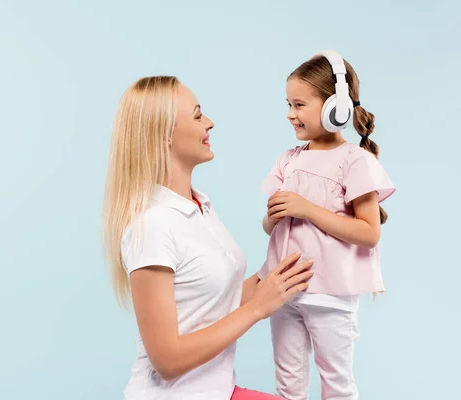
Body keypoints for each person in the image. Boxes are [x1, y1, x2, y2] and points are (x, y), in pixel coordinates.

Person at [101, 76, 314, 400]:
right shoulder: (153, 226)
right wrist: (258, 308)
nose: (210, 123)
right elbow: (167, 360)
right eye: (198, 115)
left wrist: (279, 273)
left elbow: (218, 301)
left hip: (218, 391)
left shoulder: (200, 207)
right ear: (164, 135)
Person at [258, 50, 396, 400]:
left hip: (331, 296)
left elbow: (369, 232)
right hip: (284, 290)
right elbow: (269, 226)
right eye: (288, 104)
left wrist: (307, 209)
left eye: (300, 105)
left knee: (337, 385)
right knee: (287, 385)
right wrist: (271, 217)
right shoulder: (288, 159)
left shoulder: (354, 161)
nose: (291, 114)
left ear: (337, 107)